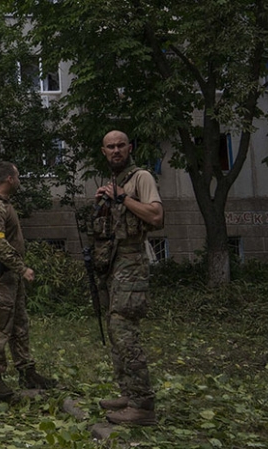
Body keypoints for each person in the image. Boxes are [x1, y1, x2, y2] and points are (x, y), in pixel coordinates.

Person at [91, 130, 164, 426]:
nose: (116, 150)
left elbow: (156, 216)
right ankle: (128, 393)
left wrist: (123, 198)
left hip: (132, 265)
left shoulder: (141, 178)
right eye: (111, 147)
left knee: (124, 329)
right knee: (114, 329)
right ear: (104, 151)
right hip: (113, 265)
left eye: (121, 145)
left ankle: (142, 404)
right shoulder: (113, 182)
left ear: (130, 147)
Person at [0, 161, 56, 402]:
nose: (20, 180)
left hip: (10, 275)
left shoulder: (4, 204)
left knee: (19, 323)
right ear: (10, 179)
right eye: (18, 176)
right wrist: (22, 268)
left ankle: (27, 372)